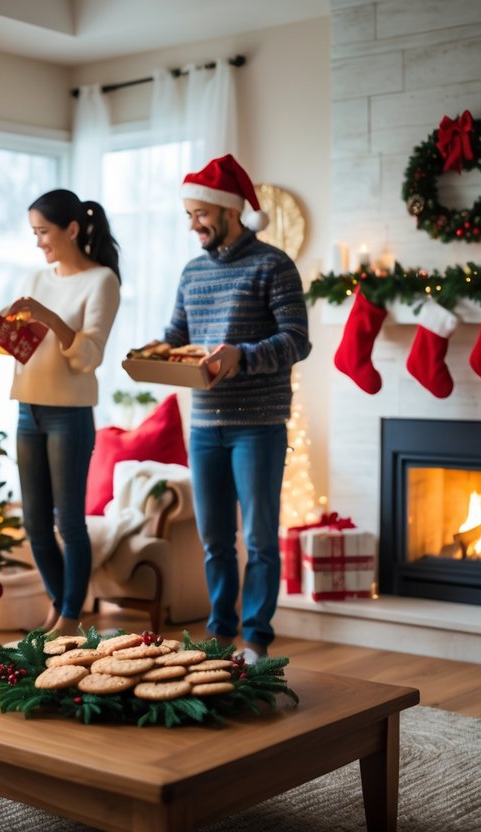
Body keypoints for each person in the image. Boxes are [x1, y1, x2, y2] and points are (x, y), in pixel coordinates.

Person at [164, 154, 311, 663]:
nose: (193, 225)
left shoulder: (273, 264)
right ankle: (219, 639)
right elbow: (176, 338)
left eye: (200, 213)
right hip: (204, 424)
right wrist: (154, 356)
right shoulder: (190, 272)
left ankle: (256, 642)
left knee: (260, 540)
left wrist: (240, 358)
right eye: (188, 215)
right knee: (215, 541)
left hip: (258, 425)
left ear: (231, 211)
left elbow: (297, 341)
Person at [1, 189, 121, 637]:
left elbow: (88, 356)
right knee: (34, 522)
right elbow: (24, 347)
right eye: (34, 233)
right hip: (27, 409)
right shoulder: (35, 278)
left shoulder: (102, 281)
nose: (39, 243)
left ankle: (71, 615)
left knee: (68, 521)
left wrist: (51, 318)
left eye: (44, 232)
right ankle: (60, 607)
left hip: (69, 413)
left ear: (72, 229)